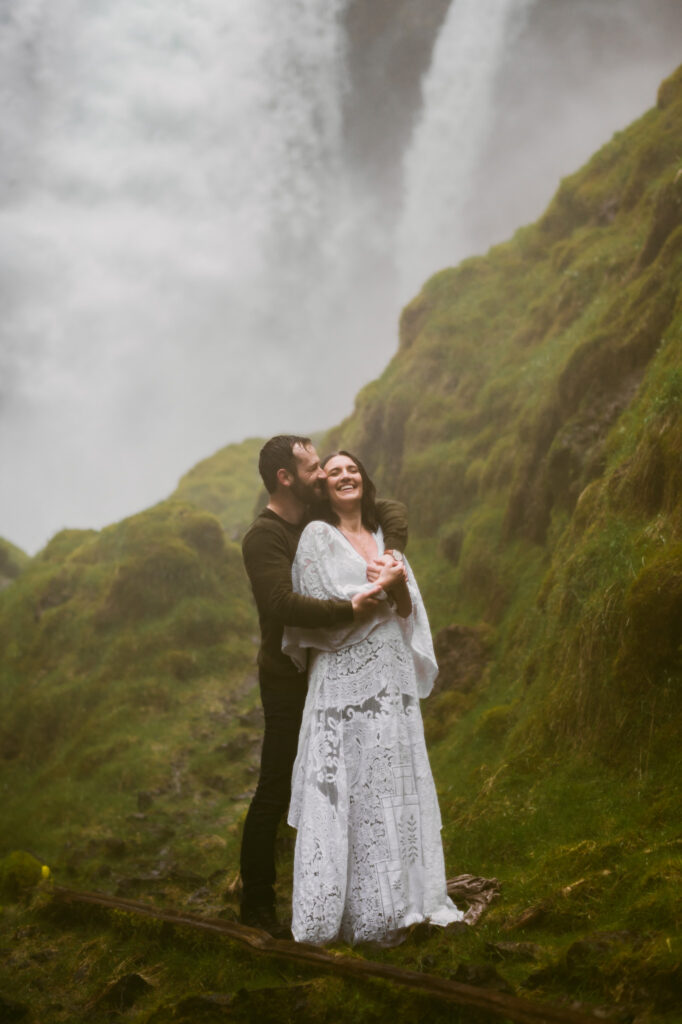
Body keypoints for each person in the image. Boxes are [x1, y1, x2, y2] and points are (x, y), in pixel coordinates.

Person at [283, 451, 464, 945]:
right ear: (325, 488)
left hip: (390, 678)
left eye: (352, 469)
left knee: (391, 787)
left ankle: (402, 902)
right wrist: (381, 590)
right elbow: (330, 610)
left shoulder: (386, 541)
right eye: (334, 471)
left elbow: (407, 611)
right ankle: (348, 914)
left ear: (364, 479)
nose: (345, 476)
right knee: (352, 788)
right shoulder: (317, 538)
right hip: (343, 684)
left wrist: (393, 581)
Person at [240, 435, 408, 934]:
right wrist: (347, 609)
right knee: (277, 785)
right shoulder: (264, 537)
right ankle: (257, 904)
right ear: (285, 478)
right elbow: (280, 604)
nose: (322, 475)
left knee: (342, 783)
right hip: (289, 678)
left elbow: (388, 506)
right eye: (313, 468)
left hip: (336, 673)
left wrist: (392, 551)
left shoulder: (318, 516)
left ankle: (350, 890)